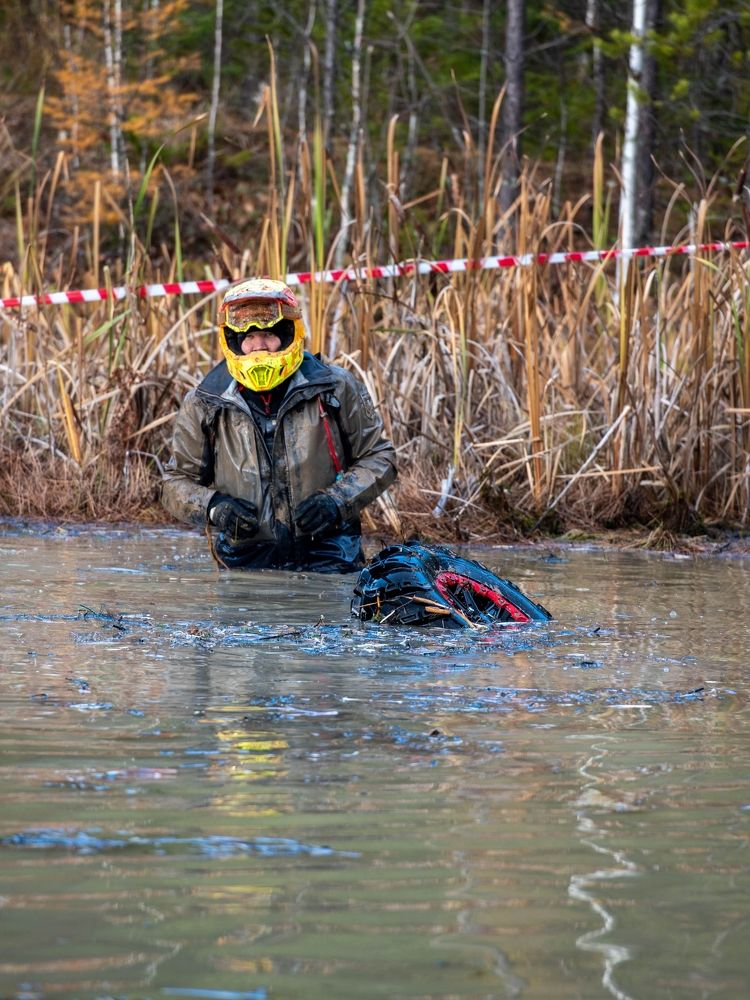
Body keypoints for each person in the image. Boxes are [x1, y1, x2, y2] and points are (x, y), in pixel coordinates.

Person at [161, 276, 397, 573]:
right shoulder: (205, 401)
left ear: (289, 333)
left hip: (329, 553)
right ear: (232, 340)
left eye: (269, 334)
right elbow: (174, 483)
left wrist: (336, 501)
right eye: (247, 337)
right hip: (244, 558)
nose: (259, 346)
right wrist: (214, 507)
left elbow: (380, 458)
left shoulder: (335, 387)